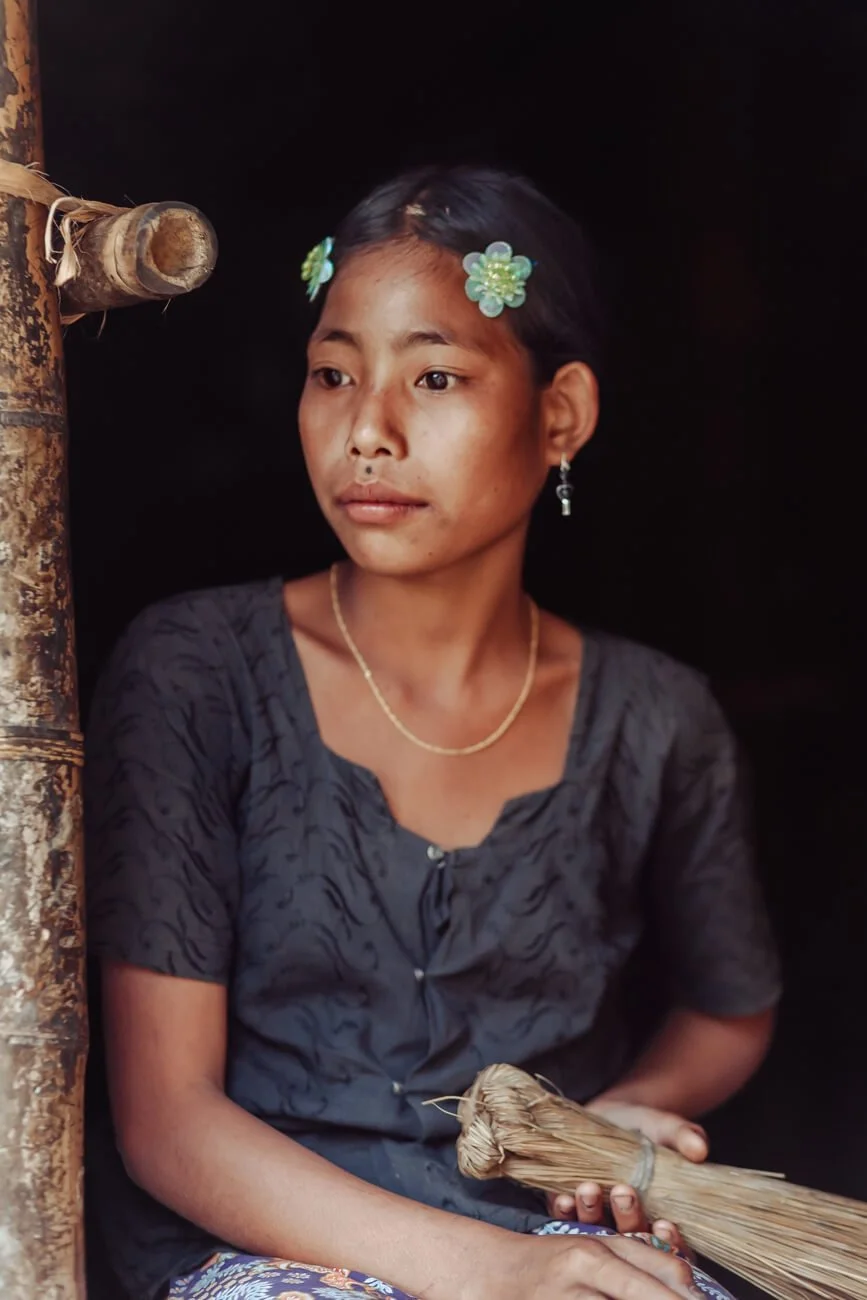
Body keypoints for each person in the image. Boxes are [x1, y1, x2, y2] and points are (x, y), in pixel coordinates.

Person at [84, 165, 781, 1300]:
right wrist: (498, 1273)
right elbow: (165, 1121)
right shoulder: (196, 673)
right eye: (332, 374)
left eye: (437, 376)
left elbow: (730, 1006)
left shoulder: (656, 717)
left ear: (561, 415)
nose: (367, 429)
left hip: (549, 1240)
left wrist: (607, 1129)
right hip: (267, 1250)